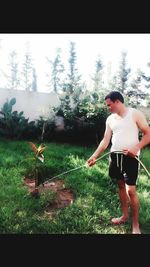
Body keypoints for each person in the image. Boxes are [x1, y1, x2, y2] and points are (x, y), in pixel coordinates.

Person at [87, 91, 150, 234]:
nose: (108, 107)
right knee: (121, 186)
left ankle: (135, 225)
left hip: (131, 158)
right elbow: (105, 140)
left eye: (109, 105)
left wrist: (137, 147)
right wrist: (94, 156)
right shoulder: (110, 119)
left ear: (117, 102)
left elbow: (148, 134)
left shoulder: (134, 114)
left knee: (131, 191)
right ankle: (124, 215)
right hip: (114, 157)